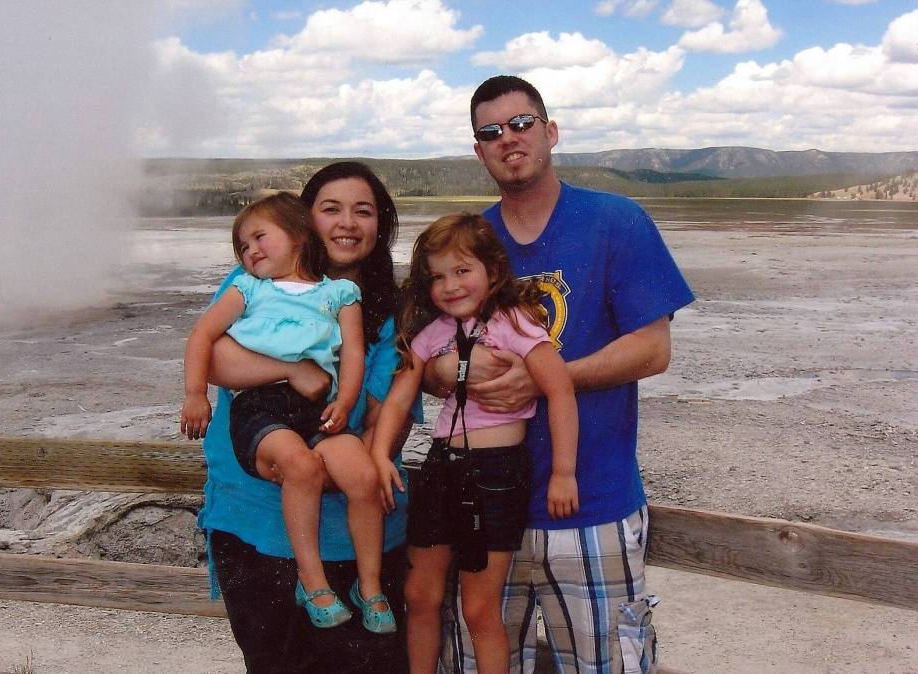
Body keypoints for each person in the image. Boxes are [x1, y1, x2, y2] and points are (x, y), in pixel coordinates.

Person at [431, 76, 695, 673]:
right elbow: (424, 357)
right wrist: (453, 369)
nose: (508, 138)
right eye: (490, 132)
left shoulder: (616, 221)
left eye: (521, 123)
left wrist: (548, 379)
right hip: (482, 509)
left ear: (550, 132)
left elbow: (652, 350)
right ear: (478, 151)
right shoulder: (467, 242)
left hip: (591, 503)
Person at [195, 162, 421, 673]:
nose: (347, 223)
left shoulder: (389, 312)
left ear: (381, 226)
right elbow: (213, 359)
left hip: (358, 541)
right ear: (303, 222)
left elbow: (380, 422)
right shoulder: (257, 279)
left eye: (363, 212)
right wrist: (293, 370)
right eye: (330, 209)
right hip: (256, 528)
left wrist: (325, 452)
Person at [368, 213, 578, 674]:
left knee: (479, 608)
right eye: (437, 276)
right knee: (419, 595)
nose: (450, 286)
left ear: (493, 270)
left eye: (462, 271)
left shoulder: (515, 322)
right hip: (441, 466)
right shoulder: (434, 333)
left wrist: (564, 473)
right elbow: (400, 394)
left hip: (496, 472)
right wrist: (381, 454)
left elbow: (560, 389)